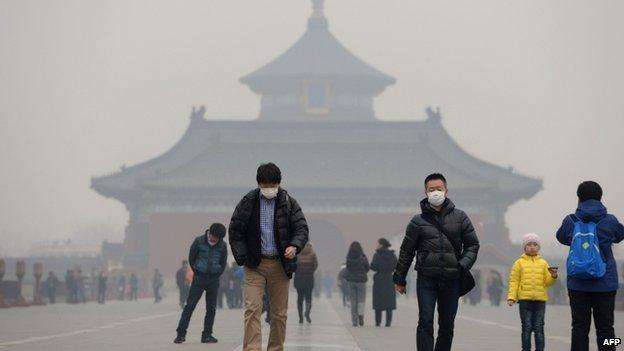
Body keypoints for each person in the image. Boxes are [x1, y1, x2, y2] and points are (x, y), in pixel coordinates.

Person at [393, 173, 480, 351]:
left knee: (447, 325)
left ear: (446, 190)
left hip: (452, 279)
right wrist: (399, 279)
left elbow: (473, 244)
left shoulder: (461, 217)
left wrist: (462, 264)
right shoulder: (417, 222)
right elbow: (406, 251)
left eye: (439, 189)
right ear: (425, 192)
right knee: (425, 321)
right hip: (427, 278)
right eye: (431, 190)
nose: (435, 193)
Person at [228, 162, 309, 351]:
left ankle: (275, 348)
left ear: (279, 183)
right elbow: (235, 230)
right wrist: (243, 257)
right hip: (255, 265)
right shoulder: (248, 202)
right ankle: (252, 348)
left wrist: (294, 246)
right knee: (252, 310)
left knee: (279, 314)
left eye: (272, 186)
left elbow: (301, 228)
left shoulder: (288, 202)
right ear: (258, 184)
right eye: (265, 186)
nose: (269, 190)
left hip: (280, 265)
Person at [556, 181, 624, 351]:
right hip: (606, 283)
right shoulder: (610, 220)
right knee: (607, 329)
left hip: (578, 283)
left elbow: (561, 237)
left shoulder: (570, 220)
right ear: (601, 197)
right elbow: (620, 235)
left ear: (579, 198)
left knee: (579, 328)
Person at [174, 223, 228, 344]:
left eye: (218, 239)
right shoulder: (199, 241)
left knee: (211, 308)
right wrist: (197, 272)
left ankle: (207, 335)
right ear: (210, 233)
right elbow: (191, 258)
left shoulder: (223, 245)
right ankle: (180, 334)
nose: (215, 240)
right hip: (199, 278)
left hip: (213, 280)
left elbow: (223, 263)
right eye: (214, 237)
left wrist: (216, 274)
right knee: (189, 306)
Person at [507, 233, 558, 351]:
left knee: (539, 327)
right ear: (524, 247)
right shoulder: (519, 263)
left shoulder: (544, 263)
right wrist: (511, 297)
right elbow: (514, 281)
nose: (532, 247)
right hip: (525, 301)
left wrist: (554, 276)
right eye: (529, 244)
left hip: (540, 301)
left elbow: (548, 282)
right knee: (527, 327)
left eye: (535, 244)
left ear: (538, 247)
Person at [371, 238, 398, 327]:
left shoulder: (377, 255)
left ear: (382, 244)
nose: (377, 245)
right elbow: (396, 266)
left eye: (378, 244)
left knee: (378, 300)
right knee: (389, 301)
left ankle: (378, 322)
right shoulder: (392, 255)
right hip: (389, 278)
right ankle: (388, 322)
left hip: (379, 278)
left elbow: (373, 267)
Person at [345, 241, 369, 327]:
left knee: (353, 301)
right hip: (361, 281)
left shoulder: (348, 258)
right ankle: (361, 315)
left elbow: (347, 268)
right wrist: (362, 272)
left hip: (351, 281)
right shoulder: (363, 257)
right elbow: (367, 268)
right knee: (361, 300)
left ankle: (354, 321)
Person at [294, 243, 318, 324]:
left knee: (300, 299)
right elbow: (315, 265)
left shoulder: (297, 253)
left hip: (299, 279)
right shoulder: (313, 254)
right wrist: (310, 271)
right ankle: (307, 312)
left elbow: (294, 264)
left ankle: (300, 317)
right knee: (308, 298)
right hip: (309, 279)